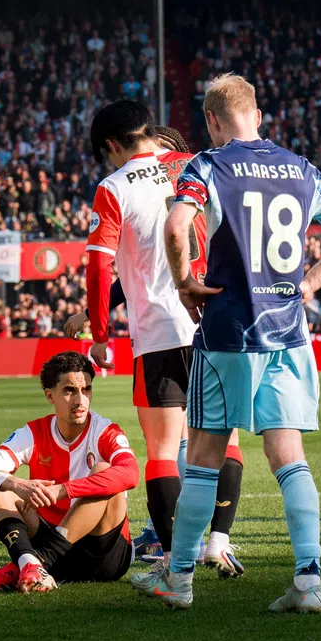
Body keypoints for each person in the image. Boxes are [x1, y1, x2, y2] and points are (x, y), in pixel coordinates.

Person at [145, 73, 321, 612]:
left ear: (212, 120)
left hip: (228, 330)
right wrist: (310, 284)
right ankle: (309, 581)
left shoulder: (208, 164)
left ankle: (179, 578)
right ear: (259, 116)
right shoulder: (300, 168)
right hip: (288, 333)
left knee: (203, 455)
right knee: (289, 456)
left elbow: (176, 227)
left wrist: (184, 284)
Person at [65, 102, 246, 588]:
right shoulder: (199, 166)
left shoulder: (114, 186)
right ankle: (219, 542)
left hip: (161, 330)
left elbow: (99, 265)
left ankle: (173, 564)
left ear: (111, 145)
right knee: (226, 439)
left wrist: (99, 336)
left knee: (164, 448)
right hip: (217, 321)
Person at [0, 351, 139, 592]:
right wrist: (16, 484)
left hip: (104, 558)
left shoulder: (105, 431)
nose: (80, 400)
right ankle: (29, 562)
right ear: (50, 395)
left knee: (104, 470)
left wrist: (62, 490)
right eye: (69, 390)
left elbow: (131, 473)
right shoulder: (34, 433)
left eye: (86, 389)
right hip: (56, 552)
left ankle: (35, 563)